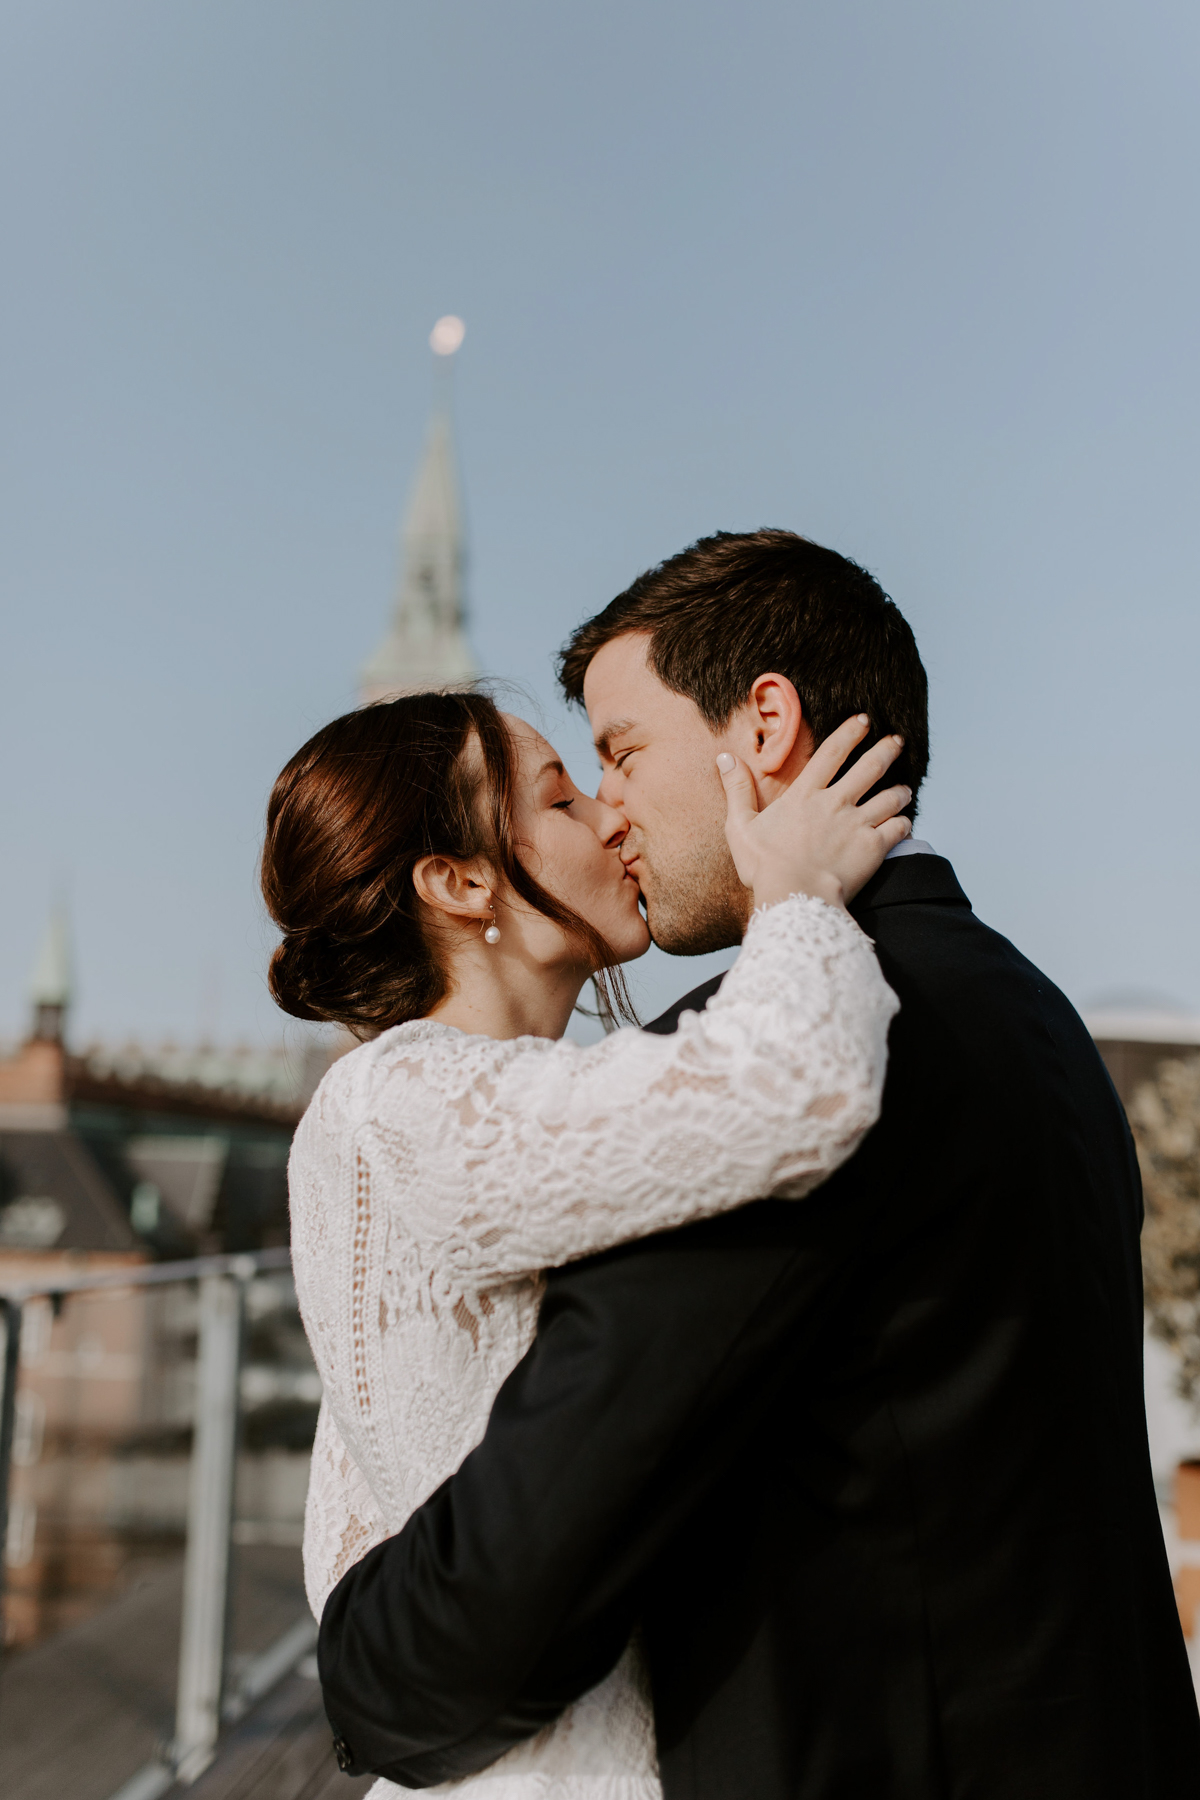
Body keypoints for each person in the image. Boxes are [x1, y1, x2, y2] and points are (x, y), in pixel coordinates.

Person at [316, 530, 1200, 1800]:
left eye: (618, 754)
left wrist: (361, 1677)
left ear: (765, 725)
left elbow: (523, 1574)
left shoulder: (771, 1065)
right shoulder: (1034, 1017)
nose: (608, 809)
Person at [263, 684, 913, 1799]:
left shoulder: (442, 1103)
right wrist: (796, 895)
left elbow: (354, 1528)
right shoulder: (410, 1098)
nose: (613, 815)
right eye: (562, 799)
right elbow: (797, 1088)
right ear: (461, 882)